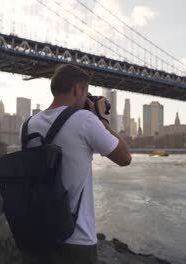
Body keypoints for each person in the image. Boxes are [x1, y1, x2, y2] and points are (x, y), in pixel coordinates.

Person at [21, 64, 131, 264]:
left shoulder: (28, 124)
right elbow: (125, 158)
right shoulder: (85, 120)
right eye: (86, 92)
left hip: (36, 233)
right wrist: (100, 119)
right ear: (77, 89)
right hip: (76, 239)